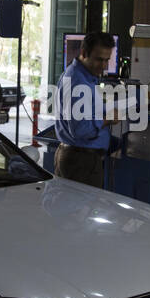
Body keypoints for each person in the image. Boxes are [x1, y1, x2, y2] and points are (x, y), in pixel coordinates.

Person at [54, 31, 116, 189]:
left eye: (107, 60)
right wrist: (107, 119)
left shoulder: (84, 77)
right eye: (99, 59)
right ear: (83, 53)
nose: (103, 66)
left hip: (79, 159)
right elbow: (81, 130)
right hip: (81, 163)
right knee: (79, 212)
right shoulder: (78, 82)